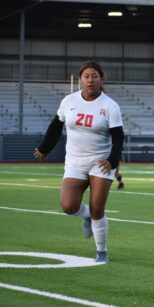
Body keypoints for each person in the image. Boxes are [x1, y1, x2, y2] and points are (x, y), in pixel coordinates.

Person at [33, 61, 124, 263]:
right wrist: (44, 148)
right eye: (86, 76)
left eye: (94, 76)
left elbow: (119, 137)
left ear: (101, 79)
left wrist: (112, 160)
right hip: (74, 162)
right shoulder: (69, 101)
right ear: (80, 79)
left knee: (98, 208)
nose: (90, 80)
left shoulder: (110, 106)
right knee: (68, 206)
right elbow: (56, 126)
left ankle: (102, 252)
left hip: (100, 163)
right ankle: (86, 216)